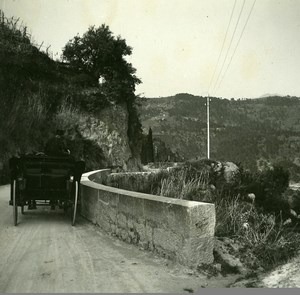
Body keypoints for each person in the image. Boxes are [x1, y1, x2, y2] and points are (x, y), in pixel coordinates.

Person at [44, 129, 70, 210]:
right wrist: (67, 153)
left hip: (49, 164)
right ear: (61, 135)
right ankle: (59, 198)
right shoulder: (61, 141)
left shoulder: (49, 141)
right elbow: (63, 151)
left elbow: (45, 151)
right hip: (59, 165)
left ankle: (52, 200)